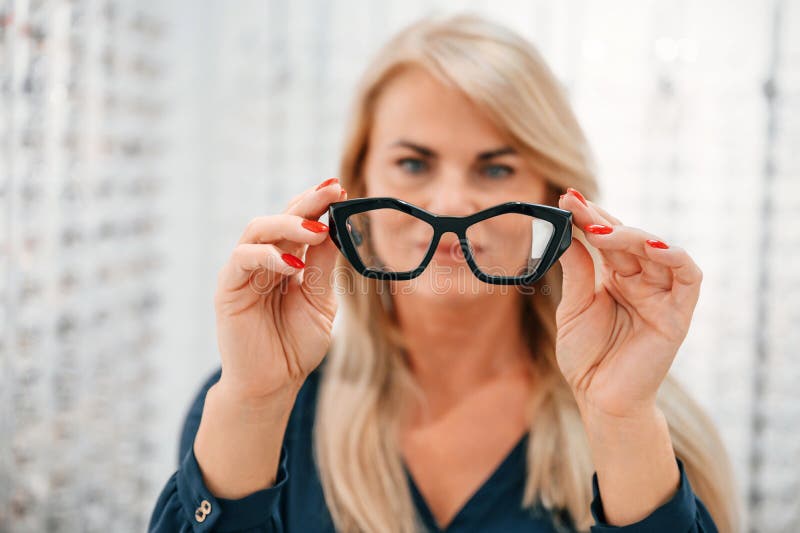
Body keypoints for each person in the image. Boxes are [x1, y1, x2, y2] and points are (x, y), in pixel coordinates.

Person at [148, 12, 741, 533]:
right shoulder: (258, 400)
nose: (452, 202)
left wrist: (621, 425)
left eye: (495, 169)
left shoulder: (642, 415)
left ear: (553, 198)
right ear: (359, 185)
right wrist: (254, 404)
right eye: (413, 163)